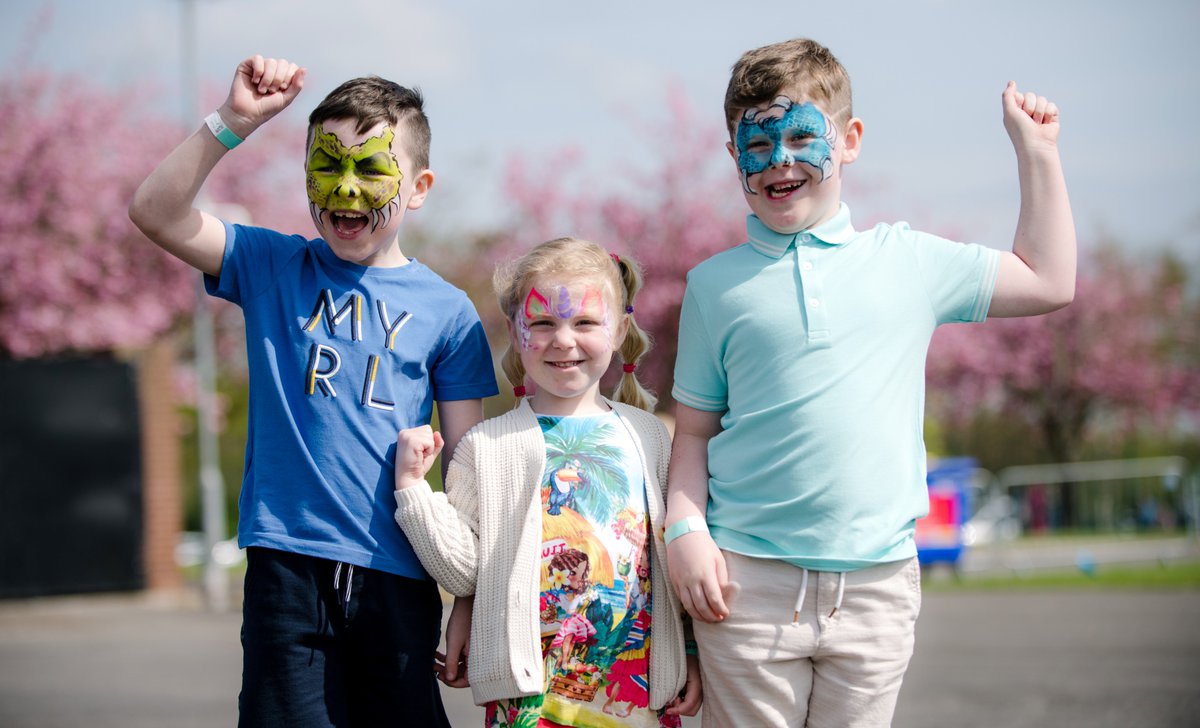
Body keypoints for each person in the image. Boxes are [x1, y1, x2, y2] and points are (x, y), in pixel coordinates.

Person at [665, 38, 1075, 727]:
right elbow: (694, 433)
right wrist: (684, 530)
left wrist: (1038, 154)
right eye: (757, 145)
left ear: (849, 140)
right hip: (746, 586)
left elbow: (1048, 280)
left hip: (878, 589)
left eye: (802, 136)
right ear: (735, 156)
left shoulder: (908, 262)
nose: (780, 162)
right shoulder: (713, 286)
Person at [128, 55, 498, 726]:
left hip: (401, 578)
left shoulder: (450, 313)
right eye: (327, 166)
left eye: (370, 168)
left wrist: (470, 600)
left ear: (418, 187)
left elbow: (470, 477)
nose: (345, 189)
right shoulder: (271, 266)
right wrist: (233, 122)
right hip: (287, 573)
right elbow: (154, 211)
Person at [392, 238, 703, 727]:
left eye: (584, 322)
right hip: (530, 699)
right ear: (517, 334)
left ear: (620, 329)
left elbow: (672, 563)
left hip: (634, 692)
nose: (563, 339)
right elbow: (465, 573)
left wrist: (686, 649)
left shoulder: (649, 437)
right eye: (542, 323)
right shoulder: (486, 446)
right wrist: (414, 491)